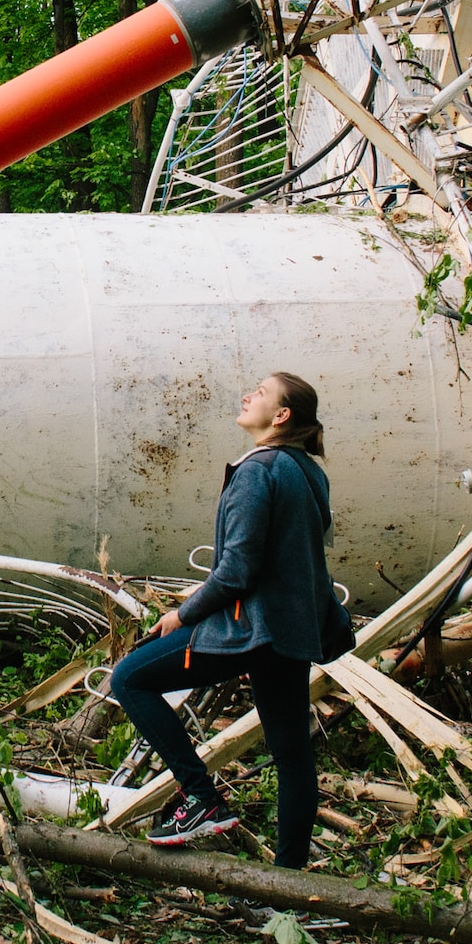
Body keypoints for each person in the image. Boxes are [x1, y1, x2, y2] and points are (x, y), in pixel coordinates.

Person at [110, 372, 345, 869]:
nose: (247, 396)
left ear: (281, 416)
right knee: (292, 756)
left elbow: (236, 571)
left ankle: (201, 797)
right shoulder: (307, 471)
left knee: (129, 679)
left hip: (250, 630)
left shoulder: (258, 470)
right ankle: (289, 888)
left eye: (260, 392)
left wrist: (182, 614)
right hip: (291, 633)